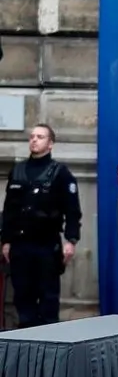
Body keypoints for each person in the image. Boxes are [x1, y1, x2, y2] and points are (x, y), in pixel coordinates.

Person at [0, 123, 80, 327]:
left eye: (40, 137)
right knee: (22, 299)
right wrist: (6, 241)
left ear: (50, 143)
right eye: (32, 136)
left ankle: (49, 349)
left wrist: (71, 240)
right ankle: (25, 349)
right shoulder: (18, 171)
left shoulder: (60, 173)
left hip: (46, 246)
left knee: (48, 300)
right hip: (20, 246)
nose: (34, 140)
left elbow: (72, 211)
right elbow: (9, 210)